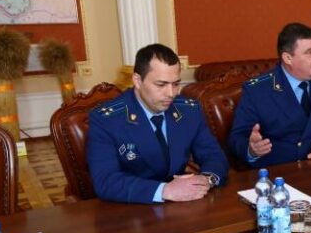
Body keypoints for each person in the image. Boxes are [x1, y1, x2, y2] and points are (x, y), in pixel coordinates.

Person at [87, 43, 229, 204]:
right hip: (132, 208)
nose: (171, 93)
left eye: (176, 84)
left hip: (183, 205)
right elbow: (106, 181)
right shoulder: (107, 120)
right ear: (137, 81)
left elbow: (214, 155)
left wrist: (206, 179)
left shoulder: (189, 110)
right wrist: (164, 190)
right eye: (161, 85)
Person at [228, 22, 311, 168]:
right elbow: (237, 138)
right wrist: (252, 150)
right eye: (310, 52)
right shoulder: (257, 91)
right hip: (280, 172)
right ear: (288, 58)